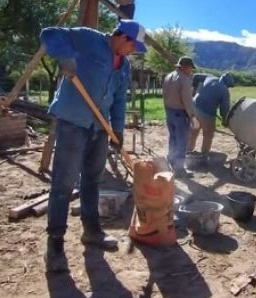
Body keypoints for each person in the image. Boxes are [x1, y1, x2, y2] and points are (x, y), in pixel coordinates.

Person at [39, 19, 147, 274]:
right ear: (123, 37)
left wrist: (117, 129)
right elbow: (50, 33)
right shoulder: (89, 39)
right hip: (73, 122)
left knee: (92, 181)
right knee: (63, 184)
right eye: (134, 46)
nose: (134, 51)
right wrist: (65, 57)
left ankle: (92, 231)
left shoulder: (124, 65)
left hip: (100, 128)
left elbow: (119, 99)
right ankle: (54, 244)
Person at [188, 72, 235, 165]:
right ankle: (204, 156)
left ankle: (187, 152)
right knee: (208, 135)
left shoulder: (210, 78)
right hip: (207, 114)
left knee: (193, 132)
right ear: (227, 84)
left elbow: (196, 76)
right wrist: (225, 121)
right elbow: (224, 110)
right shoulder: (224, 90)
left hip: (194, 109)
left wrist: (193, 90)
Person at [162, 56, 198, 178]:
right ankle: (179, 169)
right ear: (185, 67)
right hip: (180, 113)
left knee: (173, 138)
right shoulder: (184, 79)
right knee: (182, 141)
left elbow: (164, 95)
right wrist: (191, 115)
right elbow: (187, 100)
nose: (191, 71)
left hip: (169, 111)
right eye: (190, 69)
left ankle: (171, 160)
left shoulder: (168, 76)